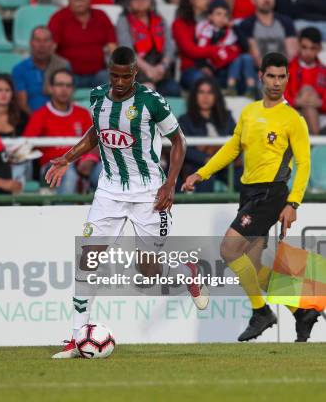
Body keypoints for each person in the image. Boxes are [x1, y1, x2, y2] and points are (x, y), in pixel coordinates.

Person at [46, 47, 207, 358]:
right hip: (109, 190)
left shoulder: (151, 101)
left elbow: (179, 141)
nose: (119, 82)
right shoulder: (96, 96)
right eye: (114, 76)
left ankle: (188, 273)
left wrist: (170, 184)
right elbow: (97, 133)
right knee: (87, 260)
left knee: (148, 271)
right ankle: (77, 337)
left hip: (149, 192)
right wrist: (67, 158)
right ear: (109, 72)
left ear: (136, 73)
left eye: (125, 76)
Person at [182, 52, 319, 342]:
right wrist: (201, 174)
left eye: (282, 76)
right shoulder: (249, 112)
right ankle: (302, 310)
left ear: (287, 78)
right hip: (248, 192)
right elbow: (233, 147)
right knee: (255, 270)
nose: (276, 82)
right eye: (271, 76)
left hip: (271, 192)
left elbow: (304, 164)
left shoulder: (292, 119)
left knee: (229, 250)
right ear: (261, 76)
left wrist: (293, 203)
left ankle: (261, 313)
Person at [24, 68, 92, 195]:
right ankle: (65, 214)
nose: (64, 89)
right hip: (52, 166)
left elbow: (94, 142)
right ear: (50, 88)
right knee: (69, 174)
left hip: (81, 163)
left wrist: (89, 159)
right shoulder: (40, 115)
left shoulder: (82, 113)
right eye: (59, 85)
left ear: (73, 89)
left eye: (68, 85)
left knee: (106, 172)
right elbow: (26, 145)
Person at [178, 77, 237, 192]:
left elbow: (237, 141)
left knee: (242, 177)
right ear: (195, 96)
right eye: (201, 92)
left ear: (216, 96)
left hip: (226, 164)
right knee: (203, 177)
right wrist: (206, 159)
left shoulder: (227, 118)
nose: (205, 97)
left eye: (210, 92)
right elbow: (184, 149)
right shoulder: (185, 120)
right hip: (199, 165)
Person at [116, 0, 181, 96]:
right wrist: (148, 70)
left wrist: (162, 67)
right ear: (129, 1)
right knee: (146, 92)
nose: (140, 1)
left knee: (173, 89)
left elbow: (170, 47)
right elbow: (127, 51)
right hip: (136, 74)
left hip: (161, 73)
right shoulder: (123, 20)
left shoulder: (159, 19)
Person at [48, 0, 117, 89]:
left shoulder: (101, 16)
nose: (79, 0)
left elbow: (113, 48)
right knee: (59, 83)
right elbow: (50, 49)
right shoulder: (59, 18)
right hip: (69, 74)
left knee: (118, 84)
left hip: (98, 73)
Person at [195, 0, 256, 96]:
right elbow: (200, 52)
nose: (222, 18)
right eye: (218, 14)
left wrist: (234, 28)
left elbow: (245, 47)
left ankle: (251, 88)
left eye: (225, 15)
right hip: (216, 70)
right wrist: (204, 67)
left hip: (232, 69)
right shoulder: (206, 31)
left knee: (246, 57)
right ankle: (232, 87)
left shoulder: (232, 31)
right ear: (210, 16)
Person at [12, 26, 69, 114]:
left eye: (46, 41)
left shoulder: (62, 66)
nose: (42, 45)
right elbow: (22, 104)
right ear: (31, 43)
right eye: (38, 40)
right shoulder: (19, 70)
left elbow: (67, 98)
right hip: (30, 119)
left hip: (59, 117)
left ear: (52, 44)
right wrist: (38, 121)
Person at [172, 0, 220, 90]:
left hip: (214, 67)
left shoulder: (213, 21)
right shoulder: (180, 23)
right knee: (202, 80)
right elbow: (191, 50)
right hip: (190, 70)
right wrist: (216, 50)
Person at [284, 27, 326, 136]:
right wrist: (296, 102)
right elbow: (280, 95)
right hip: (292, 109)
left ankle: (313, 141)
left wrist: (321, 103)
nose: (308, 52)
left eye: (313, 48)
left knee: (308, 97)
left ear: (320, 49)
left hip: (316, 110)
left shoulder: (324, 71)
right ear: (298, 45)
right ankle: (316, 141)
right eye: (304, 47)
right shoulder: (287, 68)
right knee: (307, 90)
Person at [238, 0, 297, 69]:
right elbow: (255, 57)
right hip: (259, 73)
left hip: (285, 72)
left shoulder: (286, 22)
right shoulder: (246, 25)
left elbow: (292, 55)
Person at [0, 74, 30, 185]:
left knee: (19, 166)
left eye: (7, 90)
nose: (3, 94)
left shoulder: (23, 117)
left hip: (19, 164)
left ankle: (13, 195)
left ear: (12, 93)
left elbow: (27, 148)